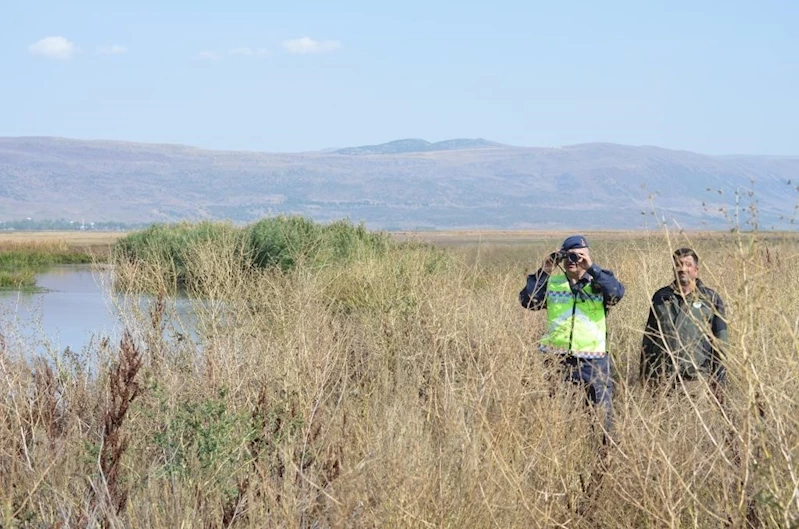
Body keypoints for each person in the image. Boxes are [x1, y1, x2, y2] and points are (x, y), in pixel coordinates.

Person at [519, 235, 625, 437]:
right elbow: (529, 301)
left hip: (593, 360)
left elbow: (616, 293)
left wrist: (591, 267)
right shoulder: (553, 283)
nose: (572, 262)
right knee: (557, 413)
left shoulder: (599, 282)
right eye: (567, 257)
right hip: (557, 359)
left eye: (577, 256)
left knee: (602, 415)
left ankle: (605, 458)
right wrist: (546, 269)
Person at [640, 248, 728, 392]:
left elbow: (721, 341)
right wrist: (644, 373)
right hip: (662, 379)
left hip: (696, 379)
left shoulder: (710, 299)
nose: (683, 269)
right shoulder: (661, 297)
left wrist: (719, 377)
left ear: (696, 270)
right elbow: (649, 337)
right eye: (678, 264)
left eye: (688, 264)